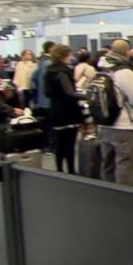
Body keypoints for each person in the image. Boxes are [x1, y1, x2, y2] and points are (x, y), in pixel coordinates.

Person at [97, 40, 133, 186]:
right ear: (126, 52)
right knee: (124, 164)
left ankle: (108, 195)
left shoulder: (102, 68)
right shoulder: (125, 72)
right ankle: (124, 197)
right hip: (124, 124)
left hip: (105, 122)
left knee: (108, 163)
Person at [44, 45, 85, 174]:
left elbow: (47, 92)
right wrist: (86, 95)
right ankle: (71, 170)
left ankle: (59, 169)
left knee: (59, 142)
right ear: (64, 56)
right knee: (70, 142)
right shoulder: (63, 71)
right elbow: (69, 92)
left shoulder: (49, 71)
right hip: (68, 111)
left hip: (55, 109)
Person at [31, 41, 56, 152]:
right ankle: (50, 146)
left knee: (45, 125)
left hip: (42, 100)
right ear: (51, 49)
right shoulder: (49, 64)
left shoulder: (41, 62)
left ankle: (46, 145)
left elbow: (33, 79)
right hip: (49, 100)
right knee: (51, 126)